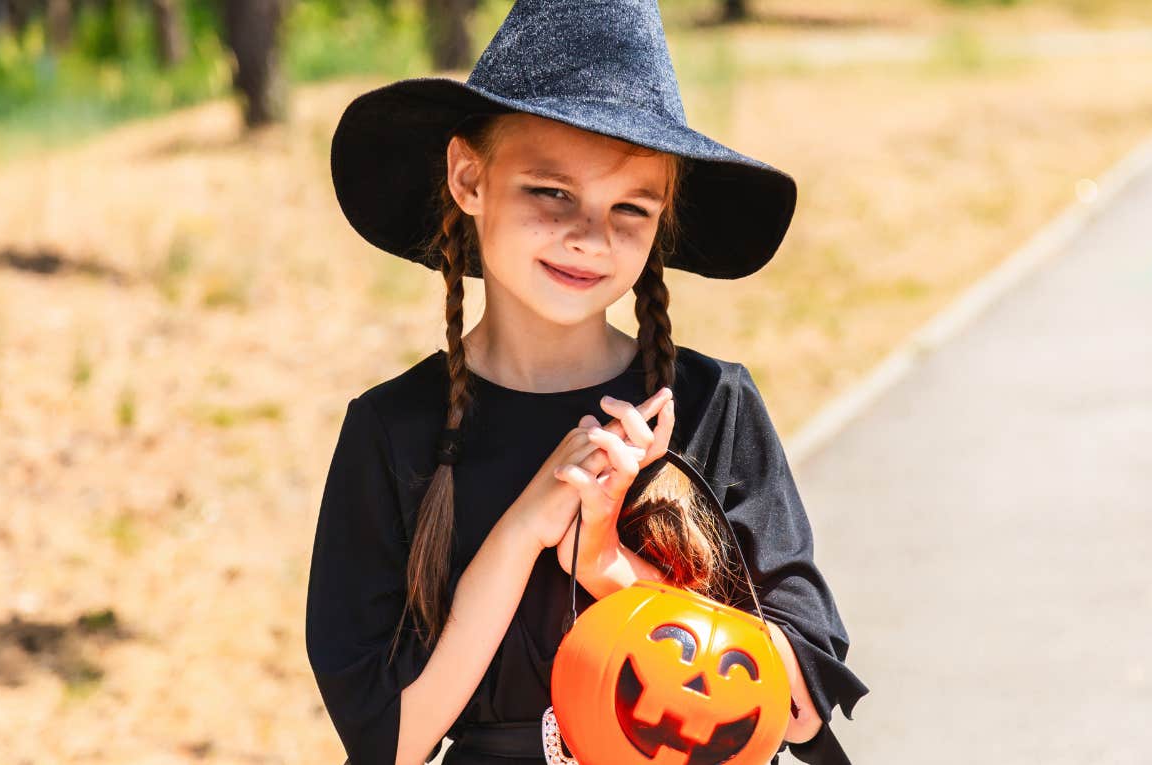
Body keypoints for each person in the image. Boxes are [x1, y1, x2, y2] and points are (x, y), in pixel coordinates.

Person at [305, 1, 869, 763]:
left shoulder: (711, 406)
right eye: (552, 191)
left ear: (662, 218)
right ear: (469, 176)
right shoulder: (391, 431)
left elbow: (798, 707)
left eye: (630, 208)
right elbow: (394, 740)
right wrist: (526, 527)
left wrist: (612, 569)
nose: (591, 237)